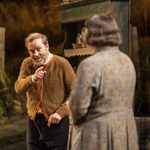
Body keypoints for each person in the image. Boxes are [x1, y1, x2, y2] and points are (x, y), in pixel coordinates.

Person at [69, 14, 139, 150]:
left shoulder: (90, 65)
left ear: (94, 33)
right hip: (125, 132)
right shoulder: (126, 60)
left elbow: (77, 107)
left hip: (98, 134)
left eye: (85, 29)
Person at [15, 32, 75, 150]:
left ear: (47, 46)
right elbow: (18, 88)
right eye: (32, 51)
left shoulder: (62, 63)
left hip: (57, 121)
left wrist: (60, 112)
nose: (36, 54)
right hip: (34, 120)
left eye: (39, 49)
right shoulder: (27, 63)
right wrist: (33, 78)